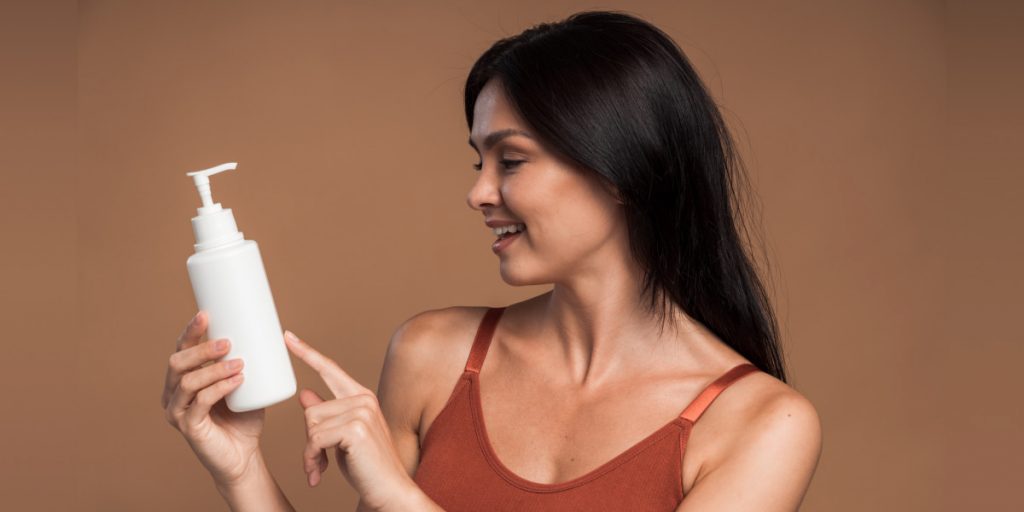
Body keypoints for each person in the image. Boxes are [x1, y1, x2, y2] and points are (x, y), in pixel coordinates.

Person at [163, 9, 821, 512]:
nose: (478, 192)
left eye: (511, 160)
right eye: (479, 161)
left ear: (621, 168)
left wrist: (404, 500)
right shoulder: (433, 354)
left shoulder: (762, 425)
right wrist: (240, 465)